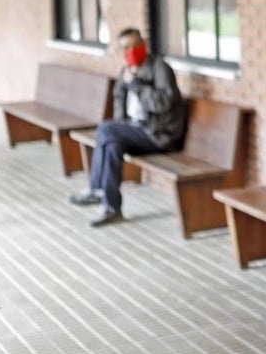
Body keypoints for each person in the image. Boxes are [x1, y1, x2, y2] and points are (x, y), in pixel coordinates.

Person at [69, 27, 187, 227]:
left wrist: (136, 85)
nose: (131, 50)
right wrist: (121, 125)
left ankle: (96, 190)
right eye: (126, 47)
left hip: (158, 134)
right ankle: (112, 208)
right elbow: (118, 101)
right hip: (135, 130)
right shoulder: (125, 71)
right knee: (112, 143)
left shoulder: (160, 68)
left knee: (107, 130)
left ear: (144, 45)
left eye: (135, 45)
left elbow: (163, 103)